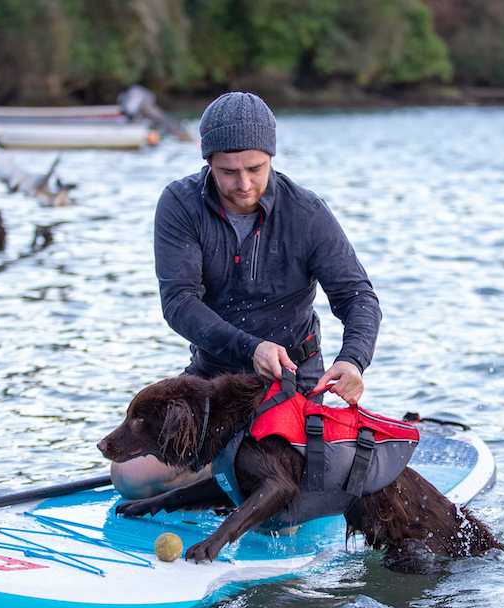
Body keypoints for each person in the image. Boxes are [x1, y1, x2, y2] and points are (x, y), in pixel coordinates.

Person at [111, 91, 382, 499]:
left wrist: (353, 359)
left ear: (271, 157)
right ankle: (228, 472)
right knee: (128, 479)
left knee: (285, 503)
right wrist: (249, 348)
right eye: (227, 172)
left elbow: (358, 297)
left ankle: (240, 473)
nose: (243, 184)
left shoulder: (307, 213)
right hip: (211, 380)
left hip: (292, 380)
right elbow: (178, 302)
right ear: (208, 163)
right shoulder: (179, 204)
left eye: (255, 168)